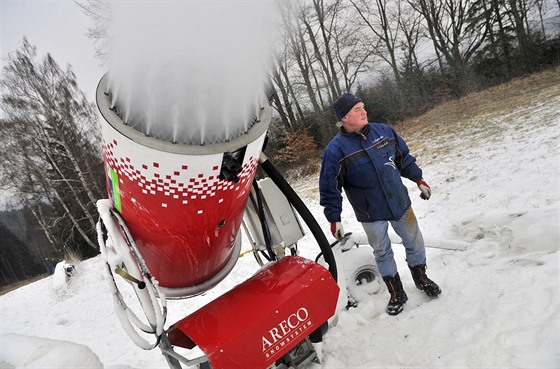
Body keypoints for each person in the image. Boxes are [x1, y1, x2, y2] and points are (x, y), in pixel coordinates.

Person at [319, 92, 441, 316]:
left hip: (399, 202)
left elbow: (404, 158)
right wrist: (334, 218)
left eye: (363, 107)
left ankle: (421, 278)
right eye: (357, 109)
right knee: (382, 252)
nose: (364, 111)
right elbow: (330, 187)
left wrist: (418, 179)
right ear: (344, 118)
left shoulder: (384, 132)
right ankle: (396, 293)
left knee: (415, 242)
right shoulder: (335, 151)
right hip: (370, 211)